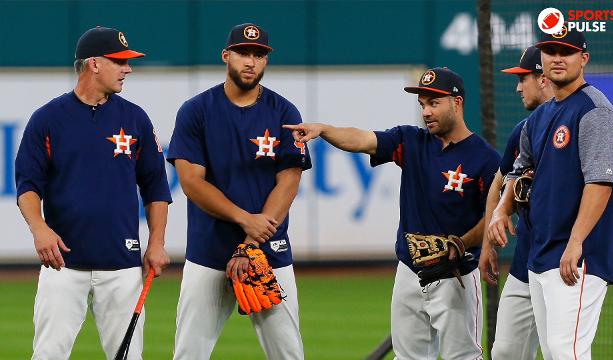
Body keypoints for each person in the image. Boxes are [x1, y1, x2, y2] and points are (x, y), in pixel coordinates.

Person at [285, 67, 499, 359]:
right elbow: (362, 139)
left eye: (434, 102)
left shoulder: (485, 158)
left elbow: (496, 216)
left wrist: (461, 243)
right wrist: (324, 130)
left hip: (456, 276)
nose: (426, 111)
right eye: (422, 103)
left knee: (462, 358)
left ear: (457, 102)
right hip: (409, 272)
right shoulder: (411, 141)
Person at [15, 26, 172, 359]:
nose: (128, 68)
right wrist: (39, 229)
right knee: (48, 354)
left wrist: (156, 242)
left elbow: (156, 186)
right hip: (62, 264)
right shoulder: (48, 119)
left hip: (122, 264)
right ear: (94, 64)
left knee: (129, 356)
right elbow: (28, 185)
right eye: (120, 61)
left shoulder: (135, 118)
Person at [168, 23, 311, 359]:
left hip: (267, 254)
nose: (251, 61)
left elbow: (288, 181)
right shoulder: (197, 111)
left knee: (288, 353)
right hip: (210, 251)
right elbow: (191, 182)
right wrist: (245, 219)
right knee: (189, 353)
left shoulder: (284, 112)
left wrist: (250, 242)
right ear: (226, 56)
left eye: (259, 55)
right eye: (243, 53)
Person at [487, 26, 613, 359]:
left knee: (567, 352)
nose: (558, 58)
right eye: (551, 52)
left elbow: (601, 183)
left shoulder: (595, 111)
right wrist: (501, 208)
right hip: (543, 253)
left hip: (579, 257)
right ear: (543, 60)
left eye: (567, 52)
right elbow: (518, 170)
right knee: (554, 352)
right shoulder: (539, 118)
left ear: (584, 58)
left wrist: (576, 241)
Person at [479, 45, 553, 360]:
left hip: (561, 260)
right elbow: (499, 181)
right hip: (525, 260)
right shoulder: (523, 131)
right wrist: (487, 243)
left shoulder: (579, 124)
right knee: (506, 351)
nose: (518, 86)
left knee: (559, 352)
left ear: (544, 78)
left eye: (524, 78)